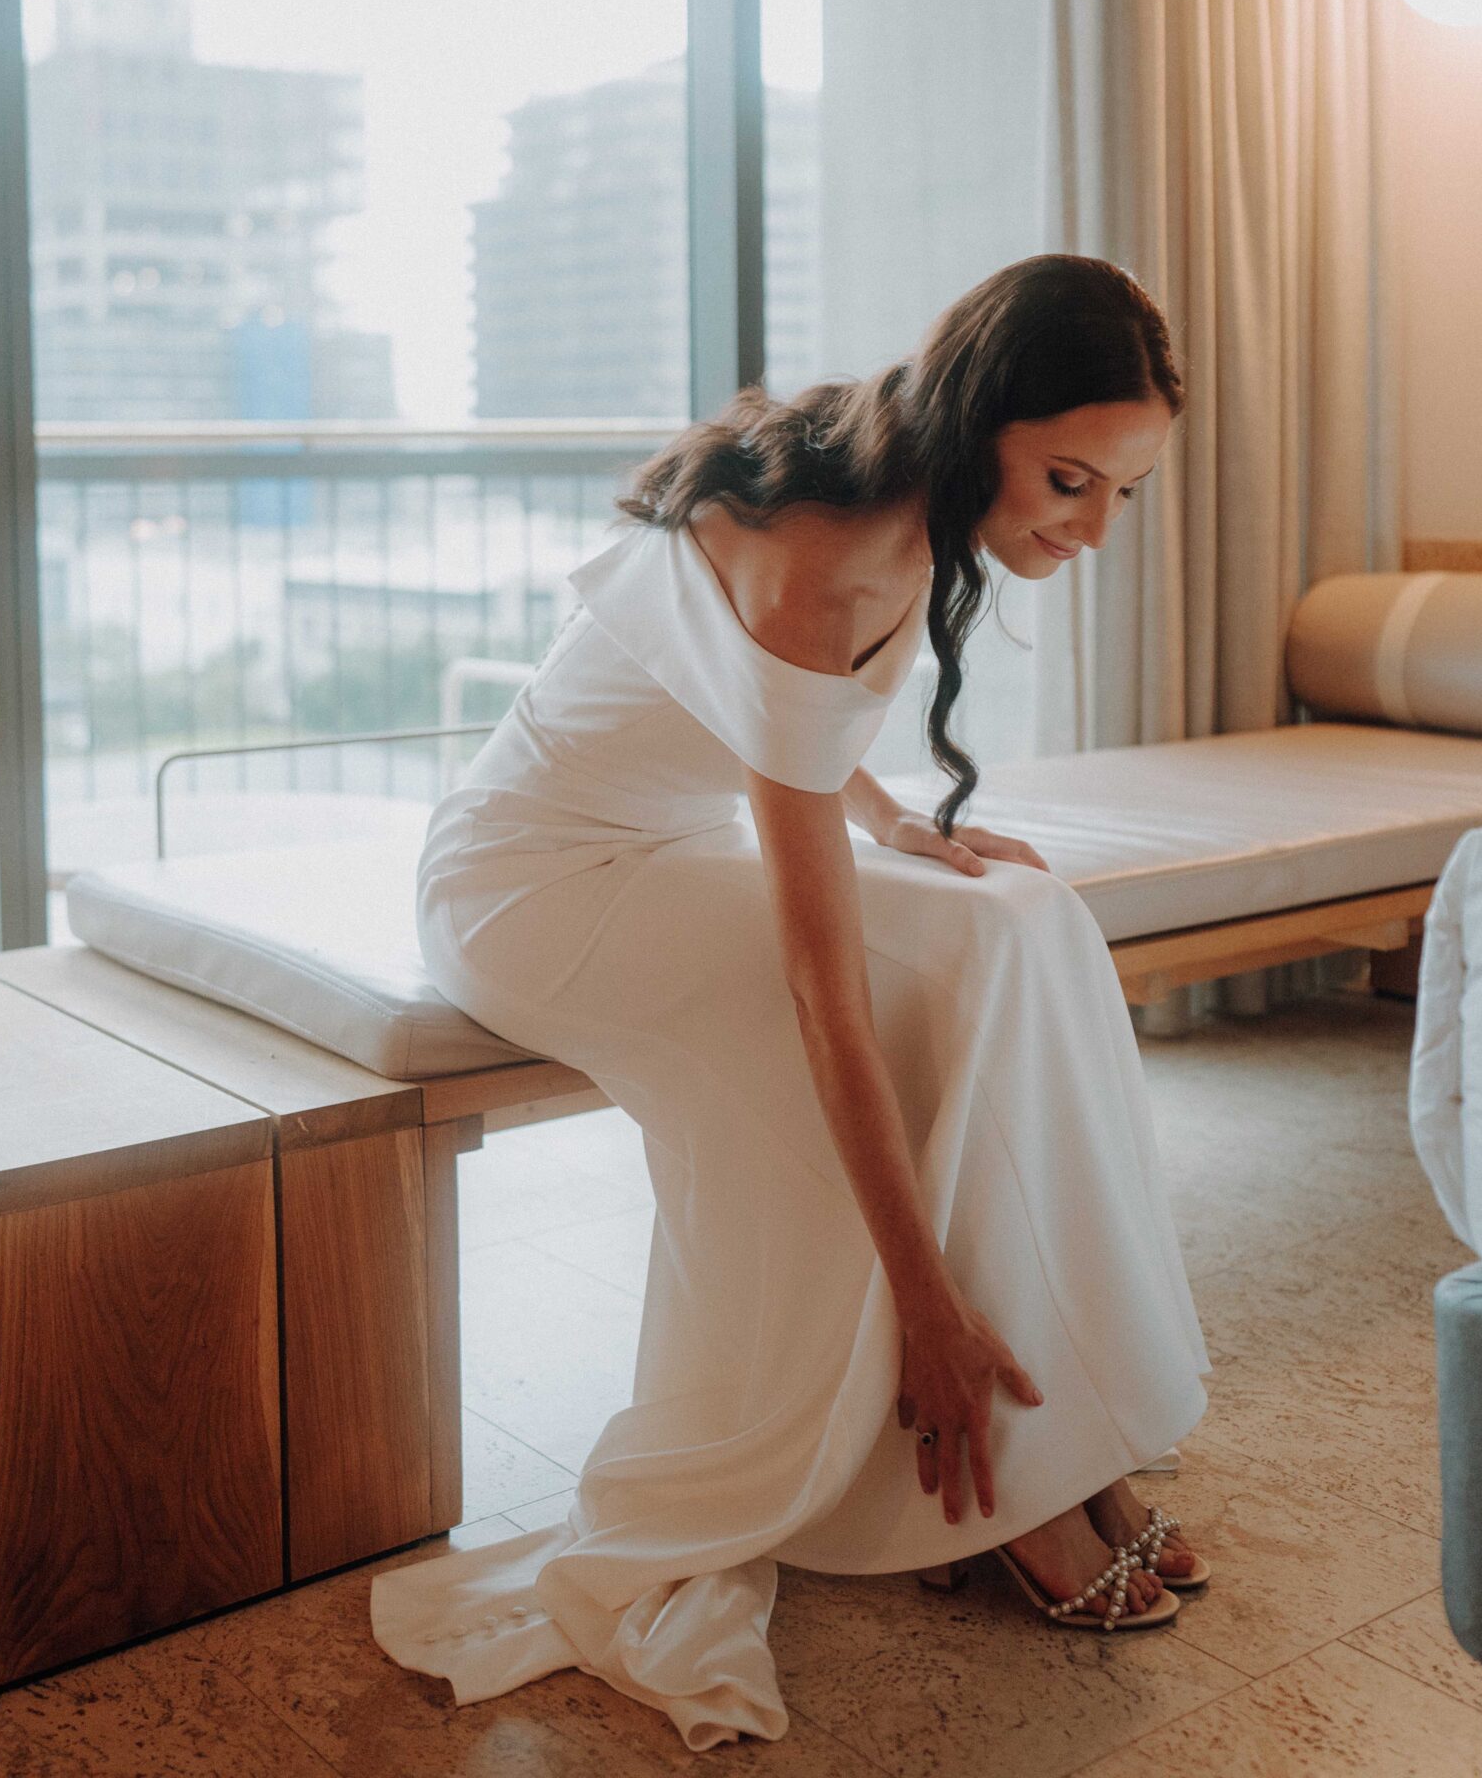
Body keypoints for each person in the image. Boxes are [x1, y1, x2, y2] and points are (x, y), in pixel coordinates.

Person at [372, 254, 1211, 1752]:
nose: (1090, 531)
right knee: (893, 1017)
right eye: (1070, 481)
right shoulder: (832, 549)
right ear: (984, 423)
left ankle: (1068, 1434)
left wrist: (896, 828)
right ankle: (997, 1461)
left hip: (657, 844)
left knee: (1021, 921)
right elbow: (825, 989)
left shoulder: (892, 472)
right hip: (534, 888)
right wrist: (929, 1308)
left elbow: (778, 712)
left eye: (1122, 495)